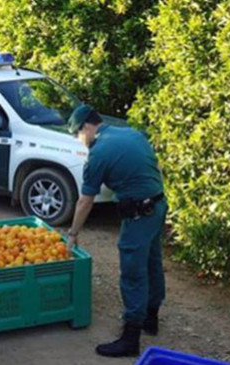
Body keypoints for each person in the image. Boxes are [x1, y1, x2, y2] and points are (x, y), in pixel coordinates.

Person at [66, 105, 168, 357]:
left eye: (78, 135)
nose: (80, 141)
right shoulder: (131, 133)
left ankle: (130, 339)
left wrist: (73, 233)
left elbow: (85, 201)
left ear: (87, 127)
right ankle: (151, 318)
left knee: (133, 270)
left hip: (138, 213)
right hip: (158, 205)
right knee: (152, 260)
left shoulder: (98, 153)